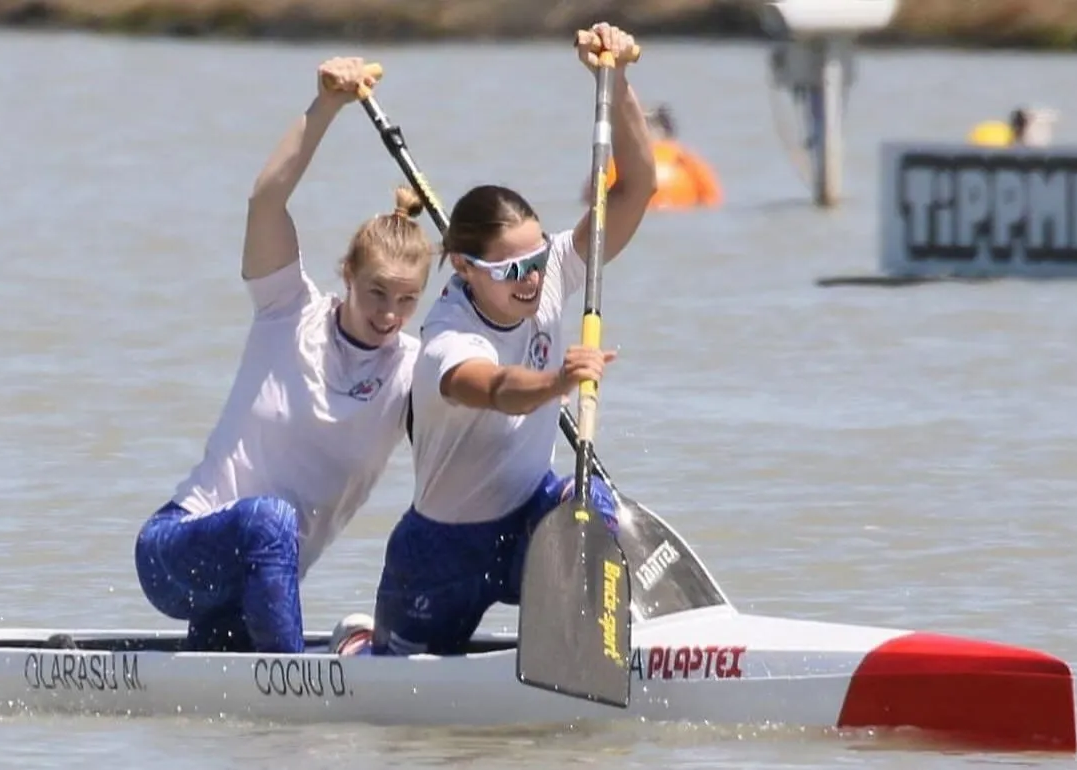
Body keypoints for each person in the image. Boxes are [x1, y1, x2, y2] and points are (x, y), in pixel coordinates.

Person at [368, 22, 658, 657]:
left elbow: (637, 187)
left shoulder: (552, 273)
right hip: (443, 550)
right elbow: (497, 388)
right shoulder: (447, 339)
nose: (532, 279)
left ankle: (587, 653)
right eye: (511, 269)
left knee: (595, 504)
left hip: (530, 520)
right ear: (464, 268)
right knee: (398, 678)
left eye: (537, 259)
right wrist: (558, 382)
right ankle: (357, 646)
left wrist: (616, 81)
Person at [133, 56, 435, 655]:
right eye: (376, 293)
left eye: (407, 301)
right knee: (271, 520)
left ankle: (347, 651)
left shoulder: (413, 369)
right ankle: (298, 682)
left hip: (253, 589)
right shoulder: (287, 310)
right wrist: (326, 106)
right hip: (177, 550)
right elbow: (266, 202)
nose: (389, 315)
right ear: (347, 275)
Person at [583, 103, 722, 209]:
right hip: (676, 213)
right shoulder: (687, 159)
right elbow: (712, 199)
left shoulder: (622, 160)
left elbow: (591, 198)